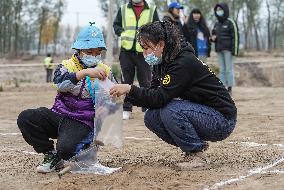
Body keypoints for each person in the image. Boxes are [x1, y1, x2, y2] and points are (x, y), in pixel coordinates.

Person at [110, 21, 237, 169]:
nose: (144, 53)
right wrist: (126, 95)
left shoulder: (182, 63)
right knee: (151, 117)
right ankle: (193, 147)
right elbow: (152, 96)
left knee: (170, 109)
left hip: (221, 119)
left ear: (161, 45)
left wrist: (130, 89)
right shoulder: (162, 61)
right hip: (201, 112)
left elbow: (160, 98)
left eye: (146, 48)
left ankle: (197, 156)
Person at [17, 23, 112, 173]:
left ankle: (83, 148)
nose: (94, 55)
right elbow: (59, 84)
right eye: (89, 51)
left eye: (97, 52)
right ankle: (51, 155)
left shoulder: (105, 71)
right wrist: (84, 72)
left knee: (66, 149)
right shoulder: (66, 66)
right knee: (26, 117)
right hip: (59, 114)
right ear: (79, 50)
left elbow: (114, 98)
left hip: (82, 120)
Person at [113, 0, 159, 120]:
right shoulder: (123, 9)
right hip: (126, 50)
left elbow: (158, 27)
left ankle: (147, 108)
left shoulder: (152, 9)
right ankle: (127, 108)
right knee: (126, 81)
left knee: (145, 80)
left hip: (144, 51)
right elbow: (116, 25)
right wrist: (121, 32)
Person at [211, 2, 239, 95]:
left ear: (225, 10)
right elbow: (213, 36)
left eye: (221, 9)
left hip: (228, 50)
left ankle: (230, 87)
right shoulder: (216, 24)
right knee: (222, 69)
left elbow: (235, 37)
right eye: (217, 10)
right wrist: (212, 38)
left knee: (228, 69)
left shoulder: (230, 22)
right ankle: (223, 87)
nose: (219, 12)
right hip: (219, 50)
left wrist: (235, 51)